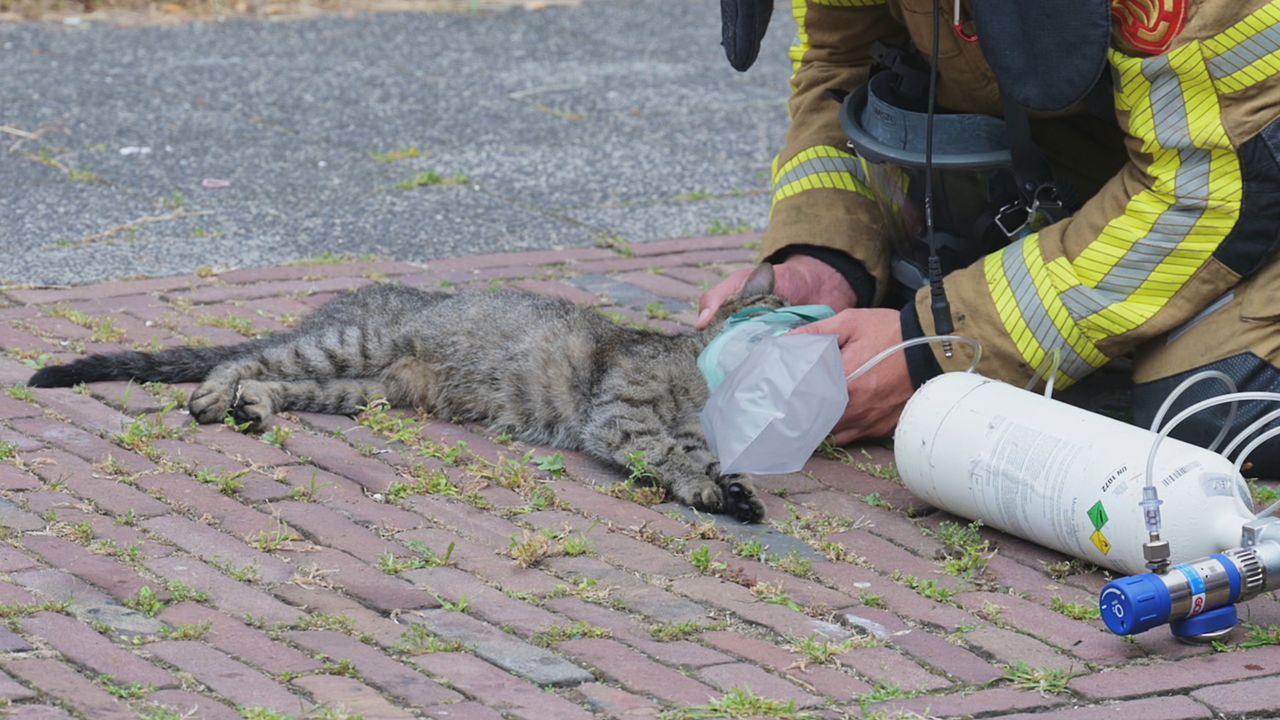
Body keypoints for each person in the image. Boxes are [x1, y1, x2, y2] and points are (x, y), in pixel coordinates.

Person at [699, 0, 1280, 475]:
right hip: (1159, 150)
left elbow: (1206, 189)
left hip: (1232, 174)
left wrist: (930, 346)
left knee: (1210, 404)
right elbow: (840, 65)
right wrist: (825, 252)